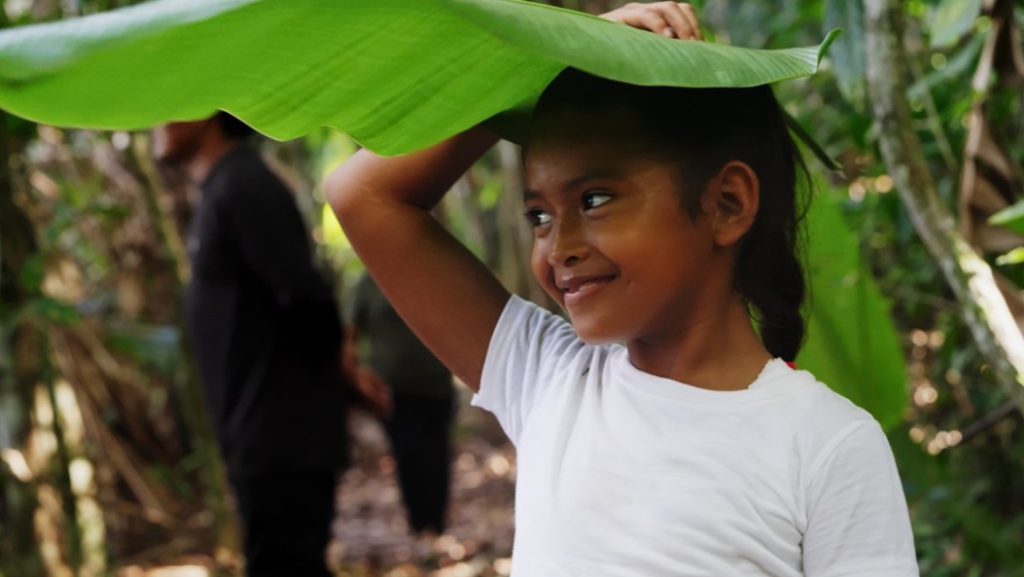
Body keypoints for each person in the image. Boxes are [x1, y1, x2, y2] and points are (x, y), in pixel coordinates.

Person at [324, 3, 918, 576]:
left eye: (595, 200)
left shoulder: (830, 445)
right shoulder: (550, 378)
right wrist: (555, 56)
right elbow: (362, 196)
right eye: (539, 216)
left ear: (727, 204)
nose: (558, 248)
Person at [153, 113, 359, 577]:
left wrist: (337, 373)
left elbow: (306, 296)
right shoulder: (223, 189)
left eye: (170, 106)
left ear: (207, 112)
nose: (155, 121)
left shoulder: (243, 185)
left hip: (281, 439)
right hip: (263, 441)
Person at [346, 272, 455, 536]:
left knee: (437, 454)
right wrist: (357, 376)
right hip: (394, 391)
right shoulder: (366, 285)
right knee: (408, 454)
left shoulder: (432, 272)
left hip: (437, 385)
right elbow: (349, 335)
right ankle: (419, 525)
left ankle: (437, 526)